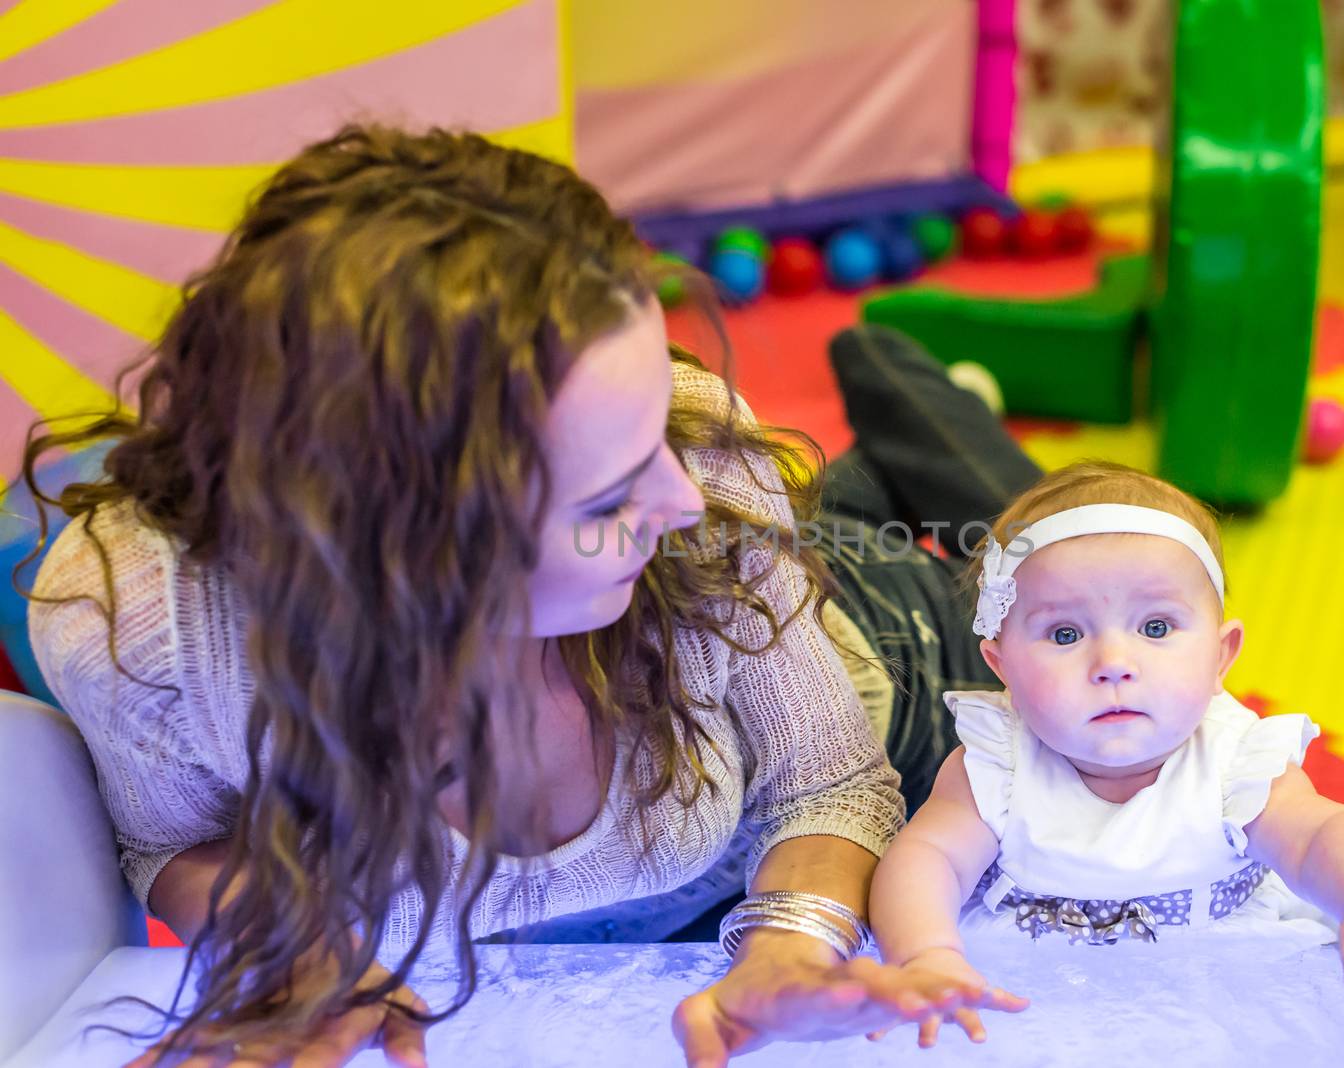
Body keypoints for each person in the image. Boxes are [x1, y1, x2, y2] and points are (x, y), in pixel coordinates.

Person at [20, 125, 1035, 1068]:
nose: (677, 500)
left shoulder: (703, 482)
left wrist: (788, 950)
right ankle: (886, 446)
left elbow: (825, 787)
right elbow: (174, 845)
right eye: (606, 490)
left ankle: (912, 400)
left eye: (654, 434)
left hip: (881, 641)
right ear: (410, 547)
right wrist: (299, 951)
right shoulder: (135, 624)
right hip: (724, 622)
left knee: (1048, 566)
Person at [866, 461, 1344, 1049]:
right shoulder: (995, 767)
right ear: (1003, 668)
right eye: (1065, 634)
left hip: (1224, 983)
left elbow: (1322, 836)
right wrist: (926, 955)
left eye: (1155, 628)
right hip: (1032, 987)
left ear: (1220, 655)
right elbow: (927, 860)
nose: (1113, 665)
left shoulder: (1236, 762)